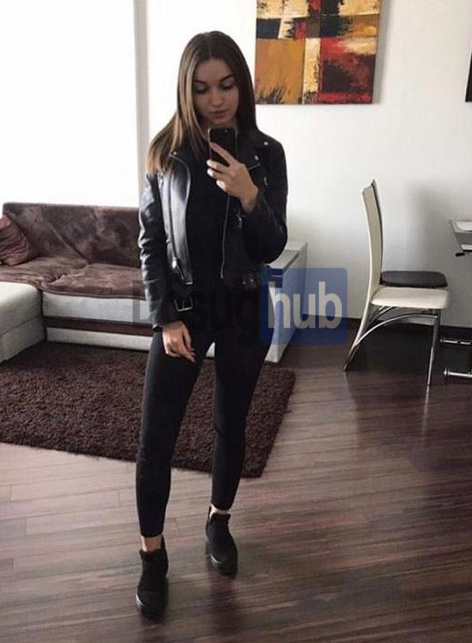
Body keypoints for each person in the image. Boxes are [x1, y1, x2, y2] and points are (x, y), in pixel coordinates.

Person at [135, 30, 288, 618]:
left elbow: (270, 247)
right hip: (186, 314)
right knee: (156, 439)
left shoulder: (267, 153)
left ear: (242, 86)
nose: (216, 100)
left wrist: (250, 194)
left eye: (226, 85)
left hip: (245, 307)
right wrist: (164, 317)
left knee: (232, 425)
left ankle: (218, 521)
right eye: (201, 89)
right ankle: (152, 555)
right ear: (186, 90)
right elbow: (151, 243)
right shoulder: (164, 153)